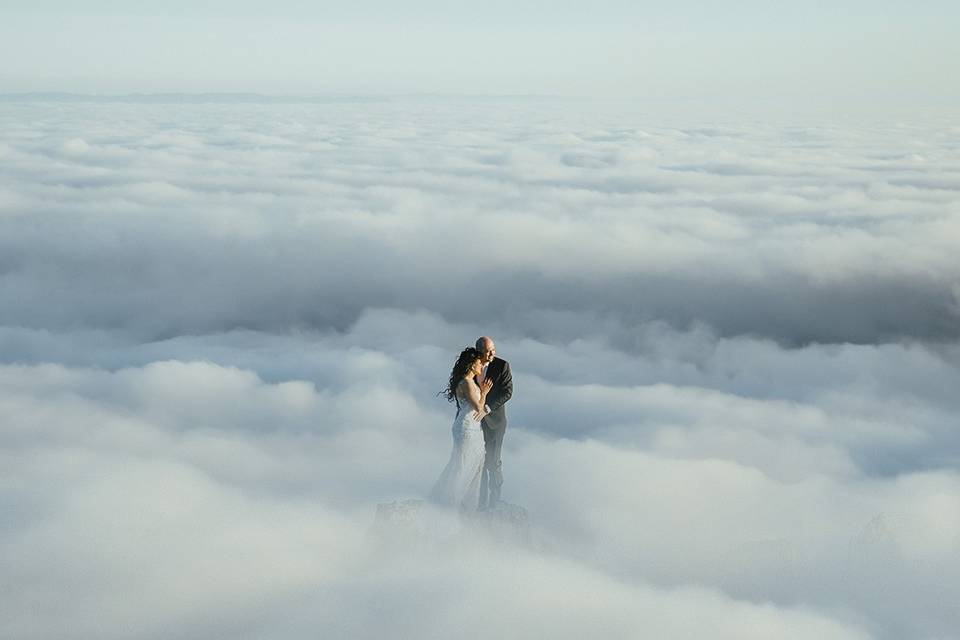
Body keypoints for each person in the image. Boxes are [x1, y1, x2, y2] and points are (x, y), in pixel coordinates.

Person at [429, 347, 493, 512]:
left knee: (475, 464)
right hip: (466, 429)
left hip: (473, 427)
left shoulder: (470, 381)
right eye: (479, 363)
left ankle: (467, 506)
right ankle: (450, 504)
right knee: (462, 465)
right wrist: (484, 392)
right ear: (472, 364)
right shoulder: (466, 382)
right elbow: (478, 407)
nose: (481, 366)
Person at [474, 336, 513, 509]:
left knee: (493, 462)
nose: (492, 354)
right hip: (474, 424)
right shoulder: (471, 366)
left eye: (493, 350)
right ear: (479, 352)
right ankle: (481, 502)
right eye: (488, 351)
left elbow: (507, 392)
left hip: (495, 423)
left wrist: (487, 408)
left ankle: (495, 500)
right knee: (478, 465)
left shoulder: (502, 365)